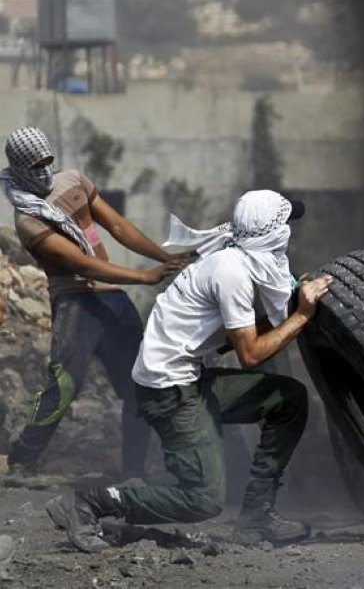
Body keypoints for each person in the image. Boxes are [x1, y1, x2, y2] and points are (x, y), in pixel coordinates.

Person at [46, 189, 332, 552]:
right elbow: (249, 353)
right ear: (272, 234)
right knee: (204, 500)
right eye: (286, 225)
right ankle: (90, 503)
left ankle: (257, 515)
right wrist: (303, 315)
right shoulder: (232, 272)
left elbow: (234, 338)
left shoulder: (236, 259)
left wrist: (293, 306)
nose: (290, 233)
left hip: (188, 378)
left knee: (288, 398)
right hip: (169, 390)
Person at [1, 126, 189, 481]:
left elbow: (118, 226)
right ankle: (23, 458)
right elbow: (79, 263)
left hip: (112, 298)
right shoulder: (27, 218)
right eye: (34, 165)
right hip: (76, 304)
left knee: (140, 386)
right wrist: (143, 276)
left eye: (47, 162)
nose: (43, 170)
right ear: (20, 168)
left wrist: (163, 256)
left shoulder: (73, 181)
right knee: (65, 385)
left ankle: (133, 470)